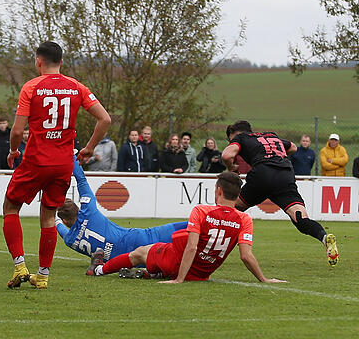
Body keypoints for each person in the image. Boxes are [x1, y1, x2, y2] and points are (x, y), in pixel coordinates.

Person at [2, 41, 111, 290]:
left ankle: (20, 266)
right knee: (49, 216)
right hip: (63, 163)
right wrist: (90, 147)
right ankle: (42, 275)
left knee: (10, 206)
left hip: (36, 160)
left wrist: (13, 150)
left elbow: (18, 129)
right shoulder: (77, 87)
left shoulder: (31, 87)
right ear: (61, 62)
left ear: (38, 61)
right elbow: (105, 119)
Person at [92, 172, 286, 284]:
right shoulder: (245, 219)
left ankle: (99, 270)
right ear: (237, 195)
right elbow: (246, 255)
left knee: (140, 253)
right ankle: (153, 273)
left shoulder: (202, 211)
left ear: (218, 190)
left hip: (179, 263)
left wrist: (179, 280)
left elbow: (192, 247)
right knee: (173, 241)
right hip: (203, 273)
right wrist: (264, 279)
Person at [221, 120, 338, 267]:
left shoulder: (241, 138)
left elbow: (226, 156)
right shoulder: (271, 135)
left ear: (235, 134)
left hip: (262, 175)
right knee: (301, 219)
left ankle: (209, 246)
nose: (230, 142)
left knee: (230, 210)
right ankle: (324, 237)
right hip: (285, 175)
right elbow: (293, 148)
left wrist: (232, 167)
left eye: (230, 139)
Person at [56, 159, 187, 268]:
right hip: (136, 238)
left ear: (66, 220)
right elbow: (81, 180)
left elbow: (60, 227)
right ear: (78, 209)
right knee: (187, 228)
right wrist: (72, 157)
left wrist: (49, 213)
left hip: (126, 261)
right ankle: (204, 221)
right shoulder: (88, 212)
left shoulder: (70, 240)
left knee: (173, 256)